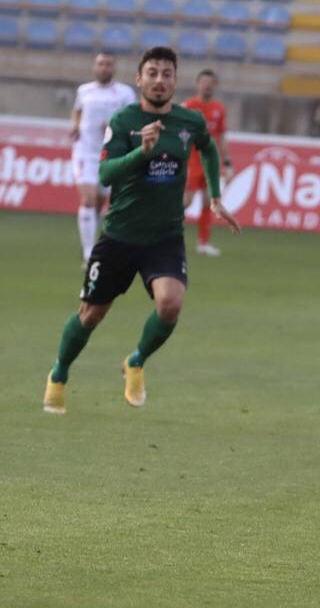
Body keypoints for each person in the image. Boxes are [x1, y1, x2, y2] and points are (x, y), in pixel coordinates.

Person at [42, 47, 242, 416]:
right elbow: (105, 175)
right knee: (91, 315)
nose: (160, 80)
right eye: (152, 72)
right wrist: (142, 151)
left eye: (167, 73)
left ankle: (135, 361)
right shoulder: (123, 121)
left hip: (164, 236)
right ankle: (59, 373)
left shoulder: (189, 121)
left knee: (171, 304)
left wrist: (214, 196)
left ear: (175, 80)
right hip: (119, 235)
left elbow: (209, 149)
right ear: (139, 79)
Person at [68, 53, 136, 265]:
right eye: (100, 64)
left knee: (99, 203)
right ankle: (89, 253)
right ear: (95, 67)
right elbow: (77, 111)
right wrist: (75, 126)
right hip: (84, 152)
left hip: (110, 154)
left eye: (108, 64)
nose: (104, 68)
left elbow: (132, 120)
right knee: (87, 200)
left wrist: (113, 128)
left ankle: (92, 244)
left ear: (114, 68)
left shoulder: (124, 93)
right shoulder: (84, 90)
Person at [183, 70, 231, 257]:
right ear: (197, 84)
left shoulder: (219, 109)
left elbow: (221, 137)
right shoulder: (188, 106)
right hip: (192, 161)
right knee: (185, 202)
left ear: (215, 85)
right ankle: (166, 237)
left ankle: (203, 243)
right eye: (204, 82)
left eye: (210, 82)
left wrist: (227, 162)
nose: (207, 85)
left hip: (210, 162)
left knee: (207, 201)